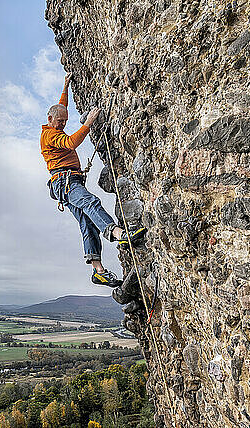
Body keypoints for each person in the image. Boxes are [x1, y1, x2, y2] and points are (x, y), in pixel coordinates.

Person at [40, 74, 146, 287]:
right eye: (60, 121)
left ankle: (98, 271)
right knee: (91, 203)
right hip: (65, 181)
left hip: (66, 182)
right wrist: (88, 123)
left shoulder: (56, 120)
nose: (63, 124)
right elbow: (70, 143)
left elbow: (61, 106)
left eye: (65, 121)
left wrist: (66, 85)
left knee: (87, 223)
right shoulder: (50, 135)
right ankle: (119, 234)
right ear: (50, 119)